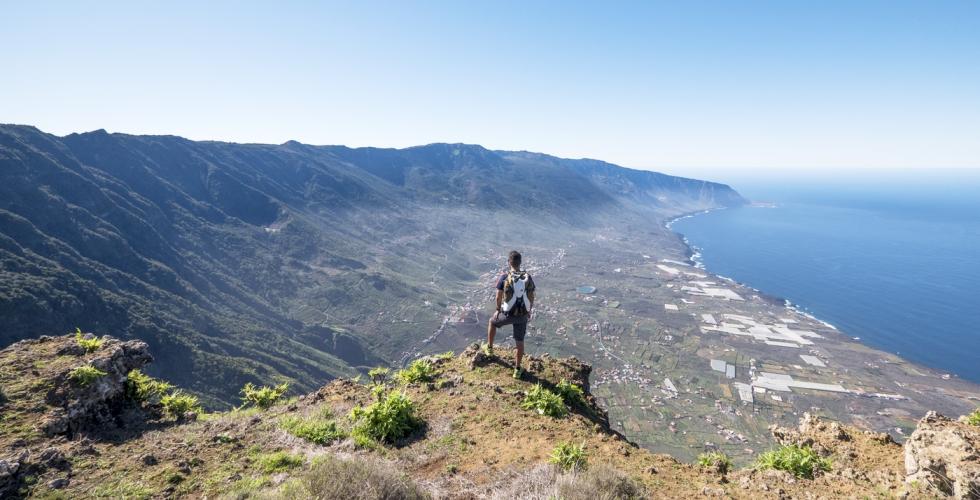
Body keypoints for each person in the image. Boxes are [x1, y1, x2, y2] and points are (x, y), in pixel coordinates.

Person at [486, 250, 536, 379]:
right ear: (520, 262)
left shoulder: (504, 276)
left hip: (508, 314)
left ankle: (490, 349)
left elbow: (498, 296)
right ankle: (517, 369)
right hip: (522, 315)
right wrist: (528, 310)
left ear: (509, 262)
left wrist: (498, 309)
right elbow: (531, 295)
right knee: (519, 342)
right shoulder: (527, 277)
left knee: (492, 322)